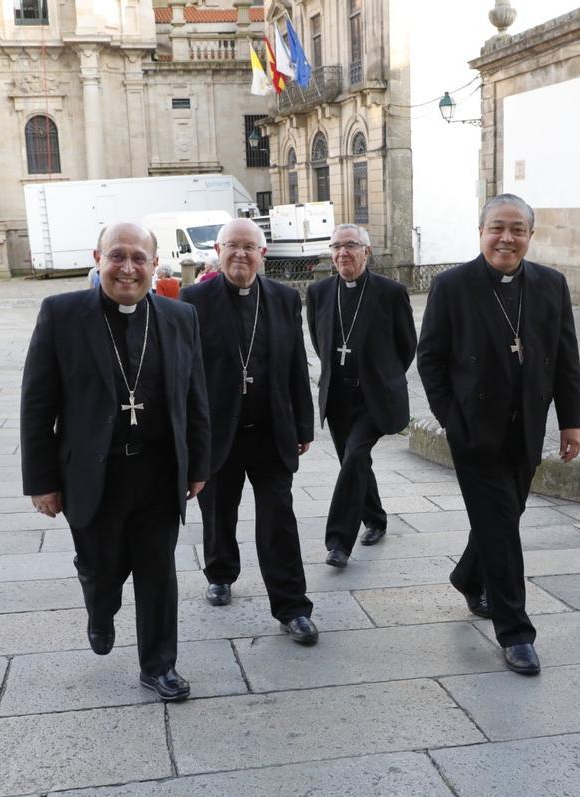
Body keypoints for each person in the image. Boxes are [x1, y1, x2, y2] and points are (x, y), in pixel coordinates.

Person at [21, 223, 210, 702]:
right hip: (91, 472)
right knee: (102, 567)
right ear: (98, 258)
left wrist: (199, 465)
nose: (128, 269)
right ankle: (100, 611)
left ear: (154, 262)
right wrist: (41, 482)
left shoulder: (179, 316)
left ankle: (159, 665)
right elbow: (37, 403)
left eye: (138, 258)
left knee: (157, 570)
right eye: (117, 257)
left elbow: (195, 397)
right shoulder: (62, 314)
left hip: (157, 470)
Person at [417, 193, 580, 676]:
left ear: (530, 236)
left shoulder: (552, 284)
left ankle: (467, 575)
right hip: (474, 431)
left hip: (527, 429)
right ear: (482, 231)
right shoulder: (452, 285)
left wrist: (571, 420)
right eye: (497, 228)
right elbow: (430, 358)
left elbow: (566, 357)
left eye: (517, 229)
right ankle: (516, 633)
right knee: (502, 528)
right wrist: (452, 418)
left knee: (505, 517)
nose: (506, 238)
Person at [179, 219, 319, 645]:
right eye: (232, 246)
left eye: (249, 247)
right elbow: (185, 375)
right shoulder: (193, 299)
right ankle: (220, 572)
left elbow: (297, 363)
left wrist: (303, 423)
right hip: (218, 431)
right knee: (218, 509)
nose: (240, 254)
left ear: (263, 253)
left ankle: (292, 606)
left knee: (279, 519)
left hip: (270, 429)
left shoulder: (282, 298)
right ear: (218, 252)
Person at [306, 224, 416, 568]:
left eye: (351, 245)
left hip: (374, 398)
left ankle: (339, 542)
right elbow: (318, 338)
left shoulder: (390, 292)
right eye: (336, 246)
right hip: (337, 396)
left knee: (354, 457)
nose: (343, 253)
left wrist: (384, 376)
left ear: (366, 252)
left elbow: (407, 344)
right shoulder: (320, 292)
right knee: (354, 461)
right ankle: (376, 518)